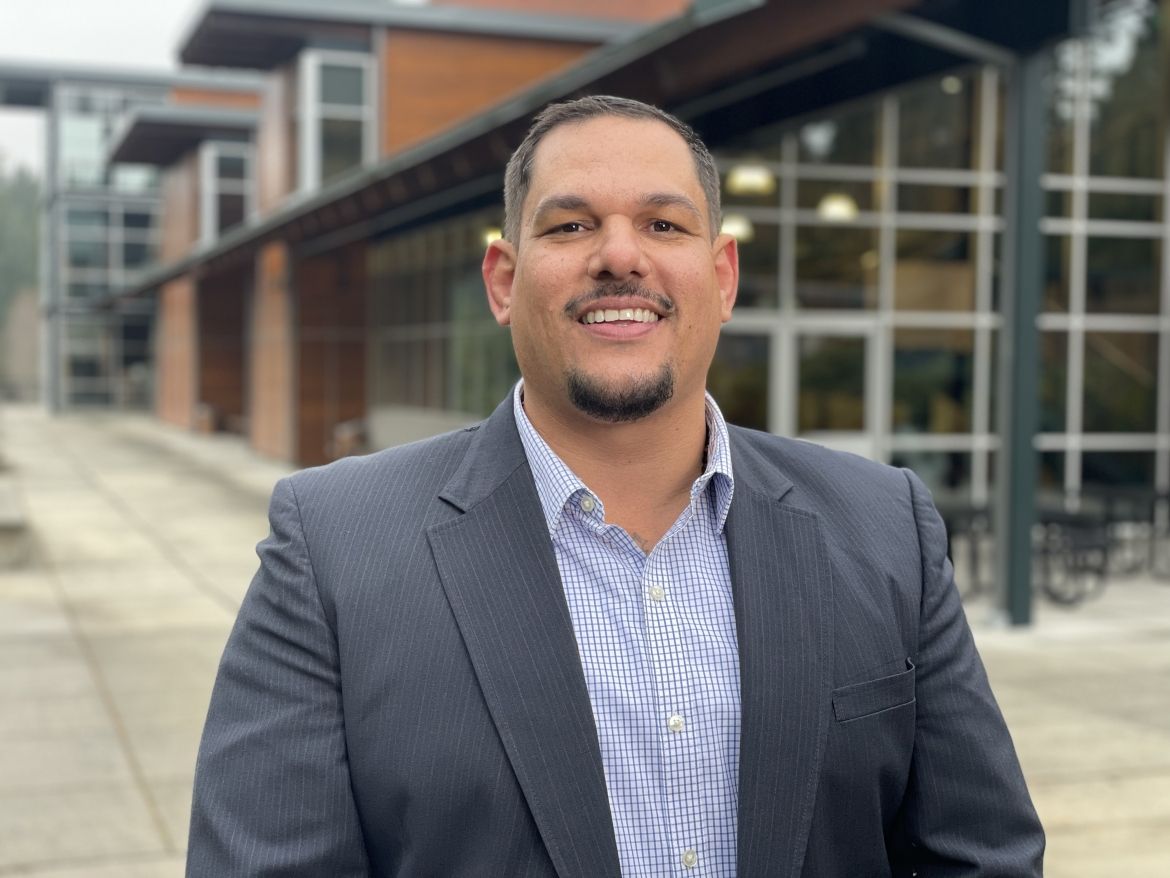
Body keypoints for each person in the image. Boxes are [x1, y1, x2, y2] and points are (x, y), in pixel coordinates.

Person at [187, 95, 1044, 877]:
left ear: (723, 277)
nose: (621, 256)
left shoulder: (885, 527)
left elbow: (981, 856)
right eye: (570, 227)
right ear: (504, 279)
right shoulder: (331, 549)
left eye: (665, 225)